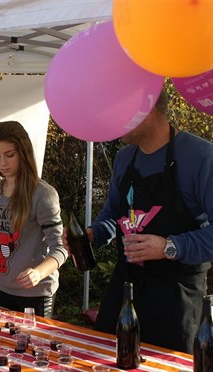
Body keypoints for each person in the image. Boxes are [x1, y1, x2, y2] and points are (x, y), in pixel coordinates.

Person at [63, 89, 213, 353]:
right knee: (104, 357)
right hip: (126, 288)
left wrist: (169, 246)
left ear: (147, 109)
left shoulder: (201, 158)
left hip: (176, 297)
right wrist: (93, 234)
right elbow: (114, 216)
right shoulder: (124, 158)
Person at [0, 121, 68, 316]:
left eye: (9, 155)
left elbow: (62, 248)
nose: (3, 163)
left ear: (23, 153)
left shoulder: (43, 194)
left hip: (36, 294)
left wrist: (38, 273)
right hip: (3, 288)